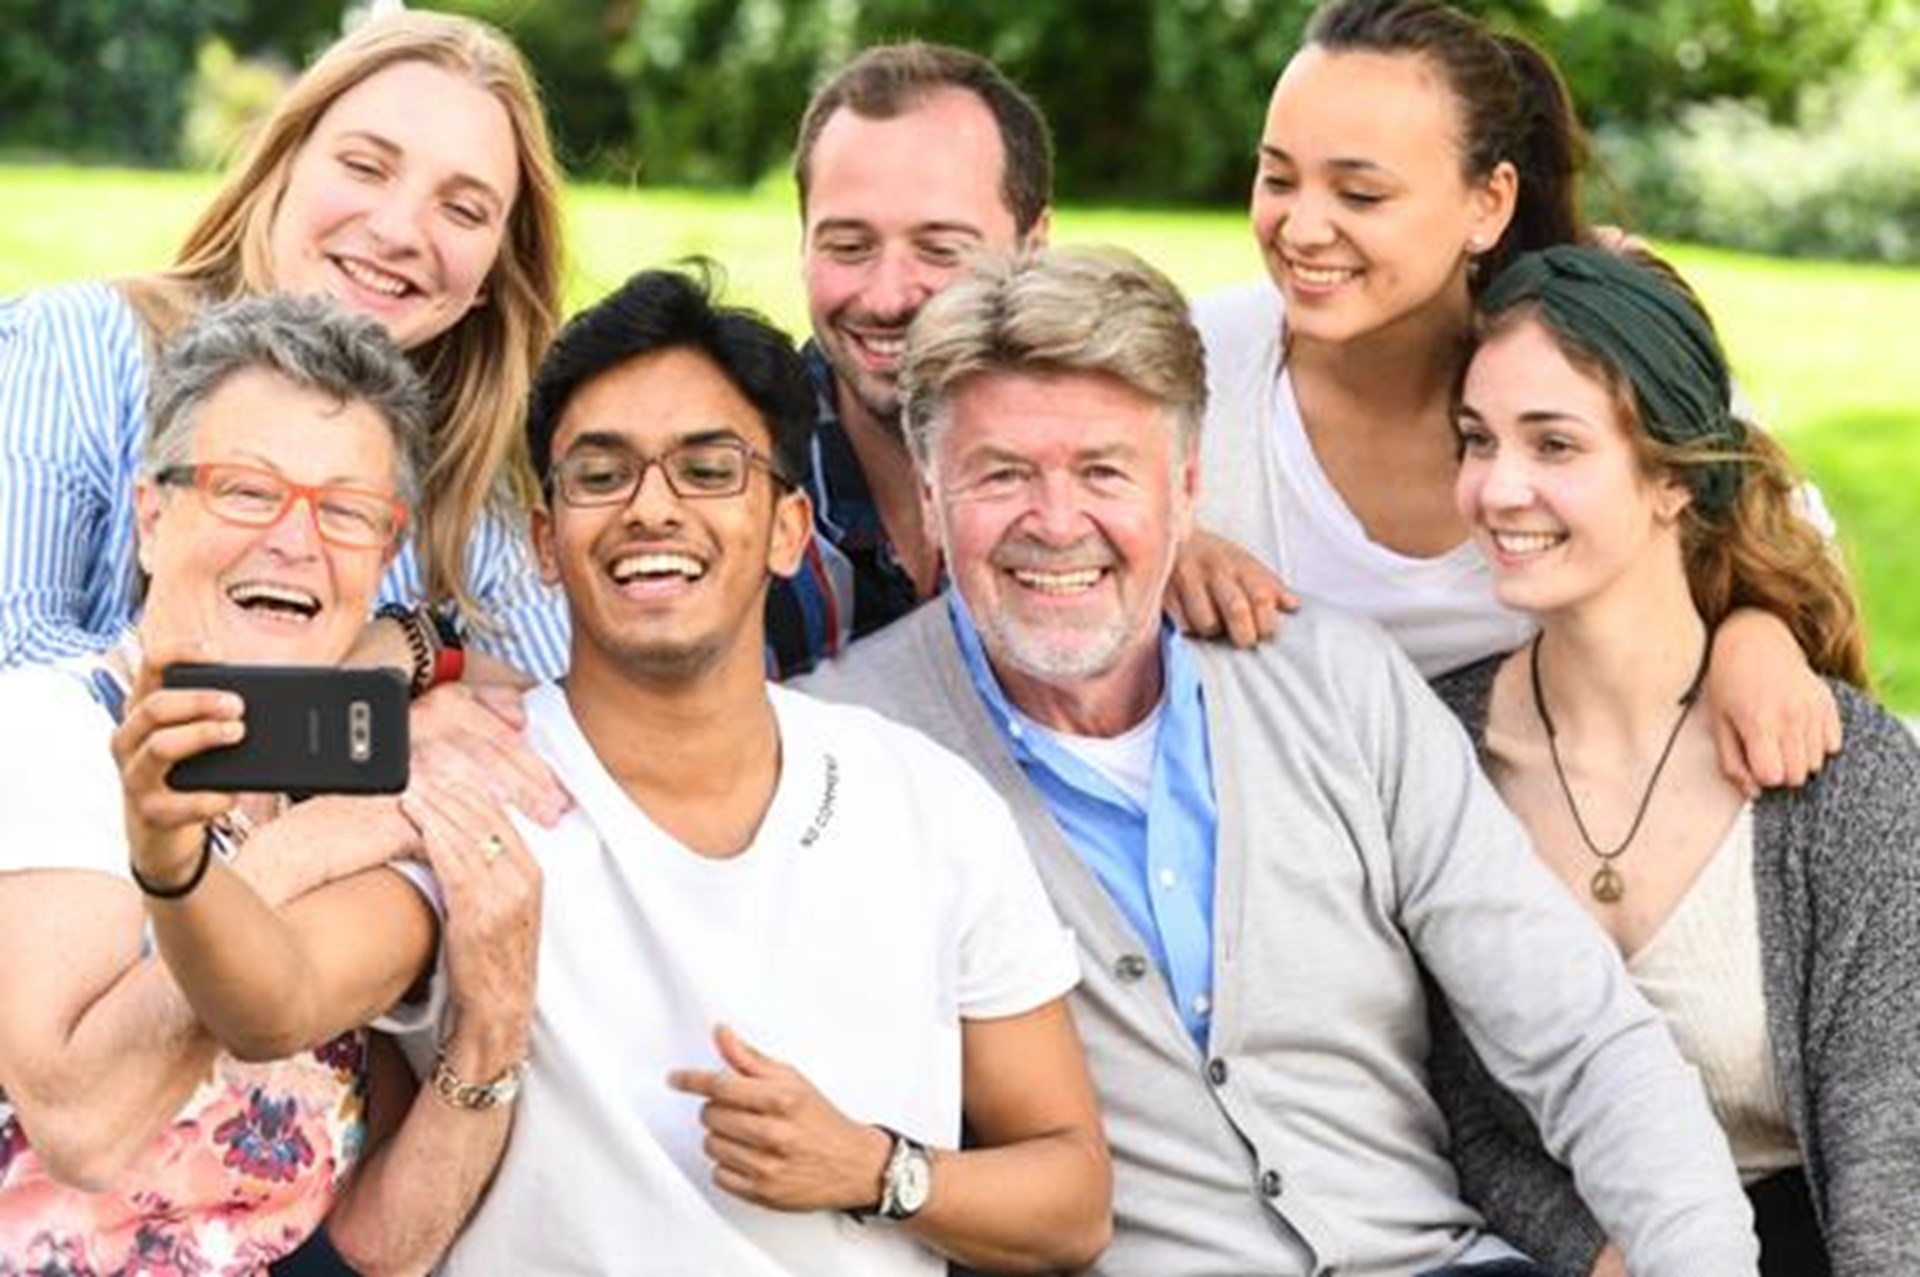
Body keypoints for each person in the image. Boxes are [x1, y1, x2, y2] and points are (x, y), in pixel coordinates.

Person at [803, 246, 1761, 1277]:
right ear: (935, 495)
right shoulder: (845, 752)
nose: (1056, 520)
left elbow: (1581, 1036)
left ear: (1186, 487)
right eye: (1002, 474)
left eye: (1103, 471)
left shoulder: (1337, 682)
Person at [0, 294, 540, 1276]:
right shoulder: (47, 731)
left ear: (384, 552)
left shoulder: (365, 778)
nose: (295, 540)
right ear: (154, 519)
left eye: (344, 511)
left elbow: (386, 1245)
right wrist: (295, 853)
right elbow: (81, 1123)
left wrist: (495, 1019)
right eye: (249, 490)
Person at [1189, 0, 1837, 791]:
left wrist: (1755, 634)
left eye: (1360, 195)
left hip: (1574, 824)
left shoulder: (1587, 337)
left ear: (1487, 203)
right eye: (1278, 177)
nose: (1302, 228)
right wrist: (1165, 554)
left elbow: (1779, 536)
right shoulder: (1199, 368)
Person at [1425, 244, 1918, 1277]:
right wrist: (1595, 1253)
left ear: (1672, 480)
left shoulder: (1840, 773)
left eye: (1555, 445)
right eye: (1479, 440)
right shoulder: (1435, 754)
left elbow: (1892, 1160)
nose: (1498, 487)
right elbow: (1452, 1111)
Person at [0, 9, 570, 681]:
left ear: (493, 274)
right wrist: (401, 668)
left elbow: (565, 721)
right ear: (282, 166)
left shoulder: (483, 487)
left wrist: (422, 650)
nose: (398, 230)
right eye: (365, 167)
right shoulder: (73, 350)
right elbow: (16, 660)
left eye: (463, 209)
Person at [765, 40, 1055, 677]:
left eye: (941, 250)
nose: (888, 296)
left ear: (1033, 249)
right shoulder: (730, 485)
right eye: (849, 246)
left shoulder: (1116, 488)